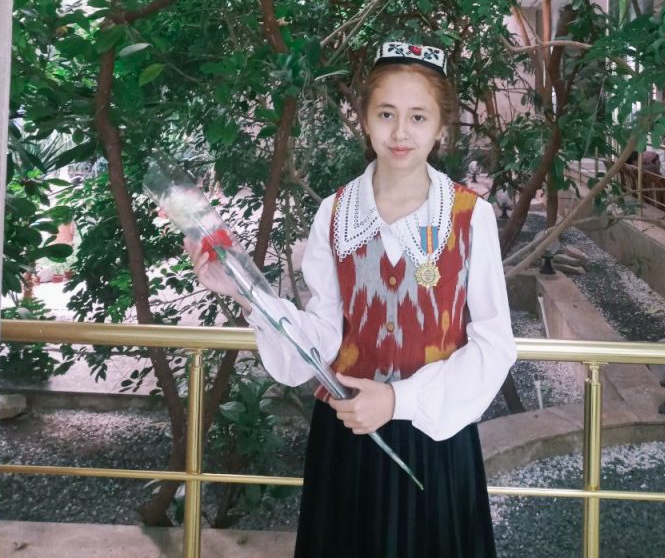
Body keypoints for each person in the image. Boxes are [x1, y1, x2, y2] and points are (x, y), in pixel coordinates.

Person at [187, 40, 517, 558]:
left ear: (441, 126)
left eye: (418, 116)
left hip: (435, 438)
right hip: (349, 438)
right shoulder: (336, 215)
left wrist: (399, 400)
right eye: (386, 113)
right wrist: (245, 292)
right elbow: (320, 340)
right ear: (365, 118)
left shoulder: (470, 217)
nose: (401, 132)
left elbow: (494, 344)